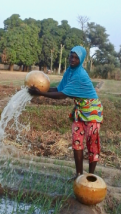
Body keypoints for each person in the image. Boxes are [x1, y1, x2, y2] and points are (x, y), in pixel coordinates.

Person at [28, 46, 103, 180]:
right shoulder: (69, 71)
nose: (72, 60)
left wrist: (40, 94)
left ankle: (91, 177)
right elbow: (58, 88)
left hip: (92, 111)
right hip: (79, 112)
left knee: (92, 144)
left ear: (81, 60)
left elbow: (62, 95)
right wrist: (40, 89)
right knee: (77, 143)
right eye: (71, 56)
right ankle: (79, 175)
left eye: (76, 58)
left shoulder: (79, 75)